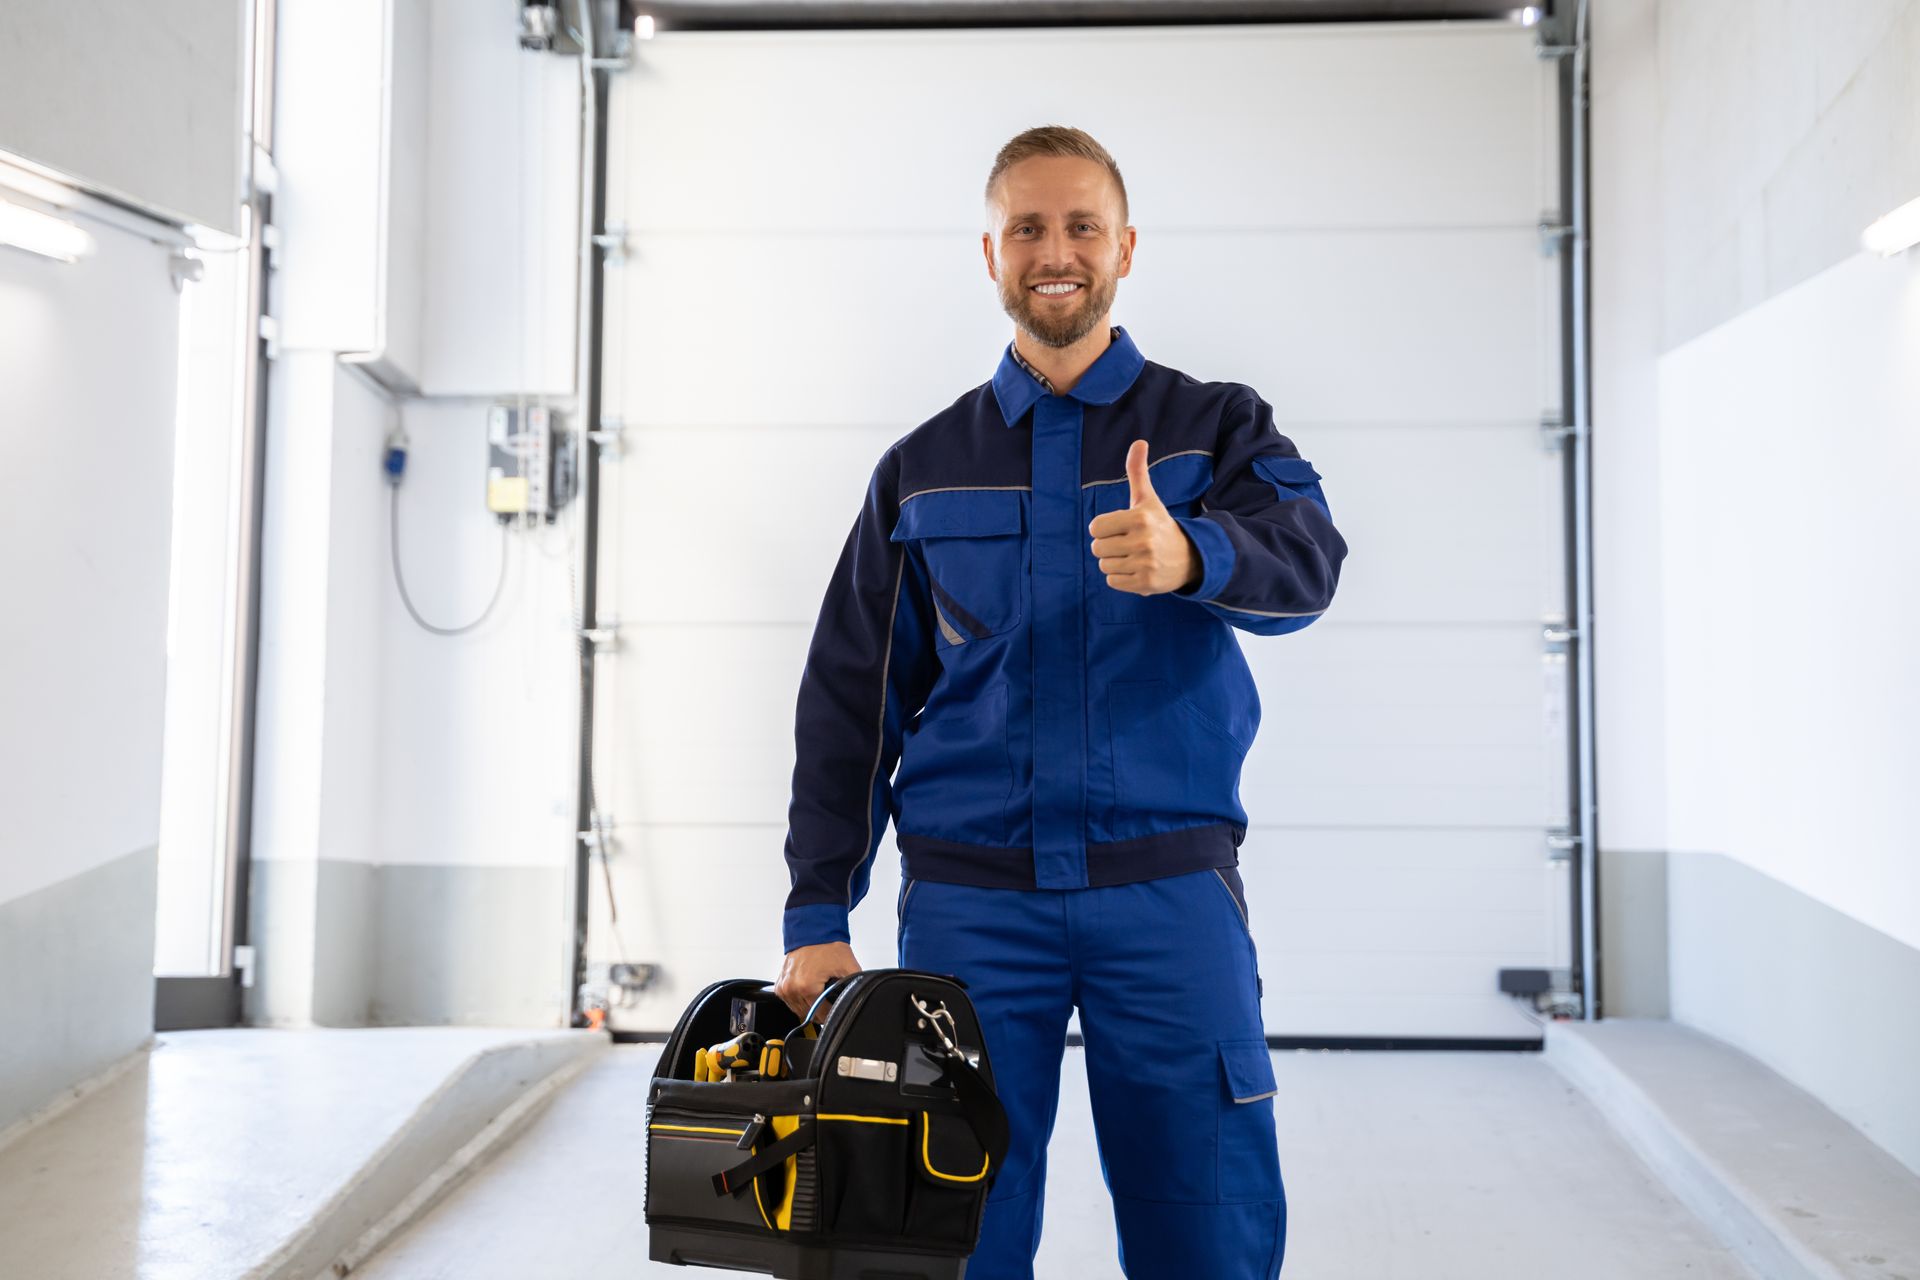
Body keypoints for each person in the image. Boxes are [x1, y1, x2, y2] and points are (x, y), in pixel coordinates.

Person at [771, 124, 1347, 1278]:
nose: (1056, 250)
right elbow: (849, 702)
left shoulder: (1214, 428)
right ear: (989, 253)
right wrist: (817, 913)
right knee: (946, 1233)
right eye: (1027, 227)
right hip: (972, 908)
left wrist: (1196, 555)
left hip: (1168, 891)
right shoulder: (923, 467)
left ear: (1125, 246)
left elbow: (1310, 562)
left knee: (1208, 1220)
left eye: (1082, 224)